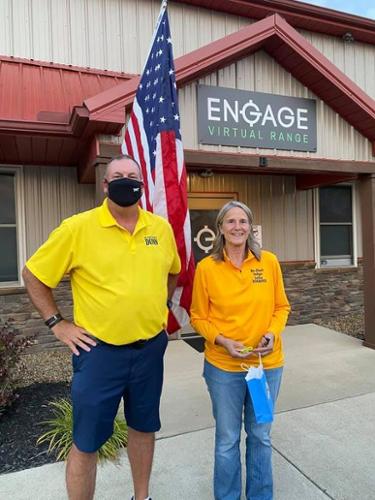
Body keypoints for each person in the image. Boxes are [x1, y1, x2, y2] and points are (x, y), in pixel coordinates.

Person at [22, 154, 180, 500]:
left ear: (141, 183)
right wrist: (57, 324)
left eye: (133, 176)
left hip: (149, 350)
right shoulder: (78, 228)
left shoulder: (160, 228)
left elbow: (173, 272)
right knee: (87, 440)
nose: (127, 181)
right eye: (118, 176)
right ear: (105, 185)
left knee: (143, 427)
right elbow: (33, 275)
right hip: (99, 354)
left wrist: (160, 306)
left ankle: (142, 496)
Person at [190, 200, 290, 500]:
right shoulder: (207, 268)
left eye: (243, 221)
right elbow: (198, 316)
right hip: (224, 369)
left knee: (260, 435)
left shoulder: (268, 262)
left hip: (265, 367)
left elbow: (281, 307)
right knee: (227, 439)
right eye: (230, 221)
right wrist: (222, 341)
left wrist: (272, 333)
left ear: (251, 227)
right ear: (220, 227)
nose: (237, 227)